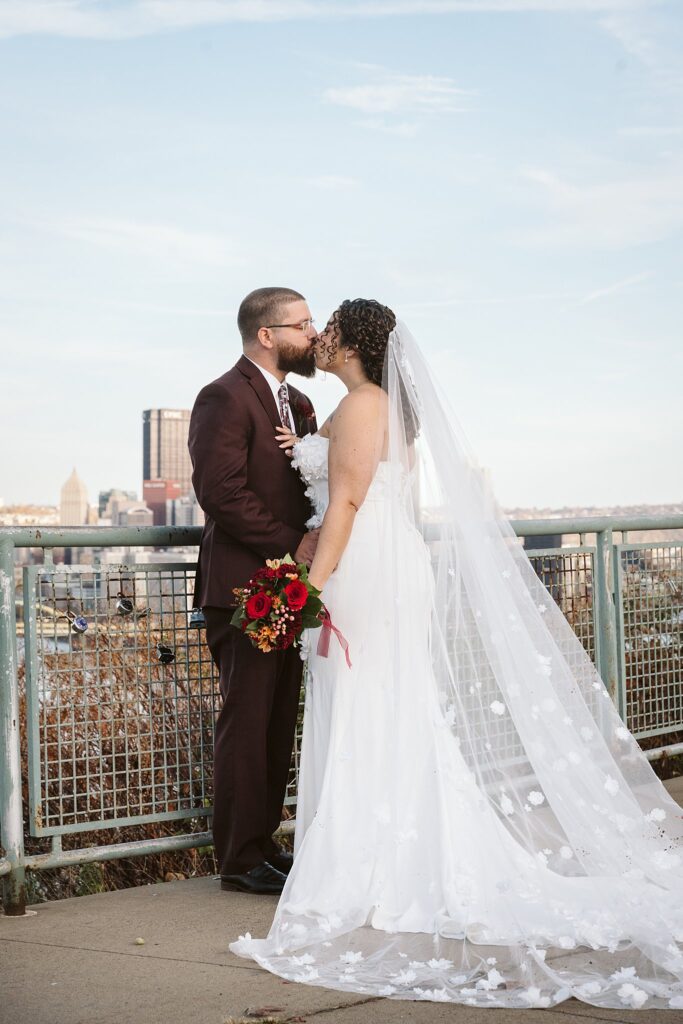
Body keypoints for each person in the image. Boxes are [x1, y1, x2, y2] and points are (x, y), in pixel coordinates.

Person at [230, 299, 683, 1010]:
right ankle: (385, 846)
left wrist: (304, 593)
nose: (319, 337)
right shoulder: (376, 409)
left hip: (361, 566)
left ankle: (370, 860)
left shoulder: (360, 407)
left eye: (330, 328)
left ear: (352, 341)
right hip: (381, 561)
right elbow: (353, 488)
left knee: (364, 701)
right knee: (385, 701)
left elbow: (344, 506)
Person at [188, 287, 319, 895]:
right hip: (243, 589)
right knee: (246, 720)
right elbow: (221, 492)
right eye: (303, 323)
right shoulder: (222, 396)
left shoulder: (305, 404)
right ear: (267, 334)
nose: (313, 334)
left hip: (292, 589)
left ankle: (265, 846)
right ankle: (239, 860)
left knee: (276, 721)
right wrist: (294, 544)